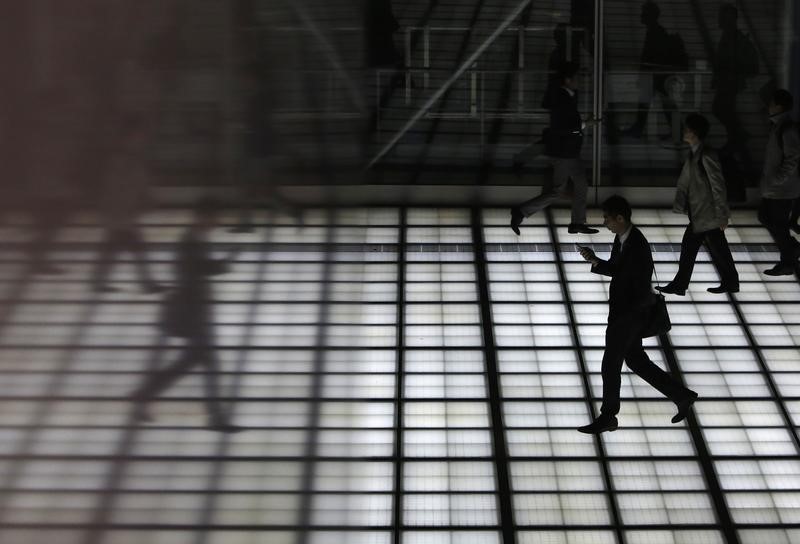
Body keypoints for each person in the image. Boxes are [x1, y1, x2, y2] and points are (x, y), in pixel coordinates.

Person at [576, 195, 698, 434]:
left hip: (628, 314)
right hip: (629, 312)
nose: (605, 223)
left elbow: (632, 277)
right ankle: (682, 396)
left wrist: (629, 315)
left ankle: (609, 416)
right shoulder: (622, 238)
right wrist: (594, 260)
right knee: (635, 360)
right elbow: (616, 269)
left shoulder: (636, 244)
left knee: (611, 362)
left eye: (607, 219)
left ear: (620, 218)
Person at [131, 198, 239, 433]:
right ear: (205, 217)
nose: (217, 222)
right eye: (215, 217)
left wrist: (220, 264)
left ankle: (143, 395)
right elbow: (195, 271)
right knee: (208, 365)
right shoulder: (190, 241)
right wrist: (223, 264)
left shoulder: (193, 240)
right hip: (194, 312)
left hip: (194, 310)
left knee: (189, 363)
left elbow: (196, 269)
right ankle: (216, 418)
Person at [510, 62, 599, 235]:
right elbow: (563, 127)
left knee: (581, 184)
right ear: (567, 80)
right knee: (558, 190)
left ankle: (577, 222)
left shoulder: (567, 95)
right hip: (564, 152)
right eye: (576, 78)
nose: (580, 81)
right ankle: (521, 212)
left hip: (568, 151)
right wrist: (585, 124)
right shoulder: (562, 98)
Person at [656, 113, 740, 295]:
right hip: (702, 214)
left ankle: (681, 285)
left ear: (694, 133)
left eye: (687, 130)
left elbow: (718, 185)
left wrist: (722, 214)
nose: (684, 132)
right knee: (715, 249)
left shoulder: (706, 155)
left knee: (694, 249)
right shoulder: (695, 154)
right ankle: (729, 282)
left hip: (707, 216)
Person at [92, 114, 163, 293]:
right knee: (133, 247)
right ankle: (146, 283)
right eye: (139, 135)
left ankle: (100, 281)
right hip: (121, 213)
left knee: (115, 247)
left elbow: (134, 183)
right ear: (130, 135)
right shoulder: (121, 158)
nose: (142, 139)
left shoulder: (129, 157)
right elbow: (117, 185)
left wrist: (144, 197)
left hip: (123, 213)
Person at [712, 3, 758, 200]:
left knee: (722, 109)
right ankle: (736, 137)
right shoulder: (729, 38)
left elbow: (744, 65)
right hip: (727, 83)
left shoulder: (736, 39)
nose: (720, 20)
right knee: (721, 109)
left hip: (730, 84)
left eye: (724, 17)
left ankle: (737, 136)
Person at [622, 1, 683, 139]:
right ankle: (677, 130)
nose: (641, 16)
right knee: (662, 103)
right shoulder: (656, 31)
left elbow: (651, 57)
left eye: (643, 13)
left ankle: (640, 129)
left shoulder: (655, 32)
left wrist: (644, 73)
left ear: (650, 15)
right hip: (657, 75)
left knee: (652, 103)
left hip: (655, 76)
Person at [758, 89, 800, 275]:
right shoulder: (778, 126)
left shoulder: (786, 128)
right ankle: (791, 251)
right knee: (768, 219)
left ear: (779, 106)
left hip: (782, 189)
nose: (769, 106)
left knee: (777, 224)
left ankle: (788, 262)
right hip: (776, 188)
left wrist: (778, 179)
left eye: (772, 103)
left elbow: (793, 157)